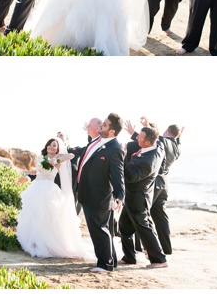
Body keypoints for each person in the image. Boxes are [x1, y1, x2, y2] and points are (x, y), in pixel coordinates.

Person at [16, 137, 92, 259]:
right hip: (36, 188)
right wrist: (27, 178)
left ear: (58, 148)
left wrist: (56, 159)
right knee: (34, 215)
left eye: (54, 145)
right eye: (50, 145)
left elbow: (71, 155)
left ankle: (45, 243)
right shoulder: (41, 158)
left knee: (46, 216)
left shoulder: (58, 160)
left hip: (48, 189)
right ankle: (34, 240)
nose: (51, 147)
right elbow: (37, 172)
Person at [74, 113, 125, 273]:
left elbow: (118, 175)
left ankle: (105, 264)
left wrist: (120, 195)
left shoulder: (115, 149)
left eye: (104, 124)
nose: (101, 125)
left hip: (99, 196)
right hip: (88, 193)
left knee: (100, 231)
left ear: (111, 131)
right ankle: (111, 261)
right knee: (103, 231)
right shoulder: (99, 142)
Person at [124, 117, 182, 255]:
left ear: (167, 131)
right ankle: (166, 249)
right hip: (164, 185)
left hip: (151, 183)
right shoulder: (177, 147)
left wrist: (141, 128)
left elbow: (152, 141)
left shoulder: (163, 141)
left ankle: (144, 248)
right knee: (161, 218)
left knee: (142, 217)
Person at [119, 126, 168, 269]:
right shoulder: (156, 147)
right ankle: (129, 257)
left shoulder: (149, 160)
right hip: (132, 197)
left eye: (140, 137)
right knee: (124, 226)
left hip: (138, 199)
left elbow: (132, 176)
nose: (137, 138)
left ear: (147, 142)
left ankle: (159, 259)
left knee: (144, 229)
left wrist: (123, 156)